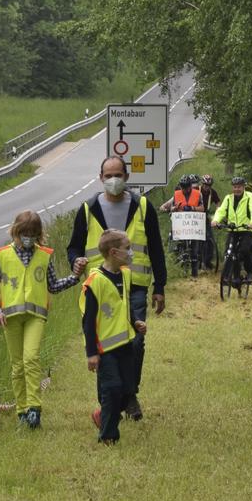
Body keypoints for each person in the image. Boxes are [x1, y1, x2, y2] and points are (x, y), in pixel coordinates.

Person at [67, 156, 166, 421]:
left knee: (135, 342)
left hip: (134, 284)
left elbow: (156, 247)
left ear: (127, 176)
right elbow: (73, 246)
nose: (113, 180)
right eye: (108, 175)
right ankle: (109, 404)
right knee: (106, 347)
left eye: (118, 175)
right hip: (100, 287)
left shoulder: (142, 206)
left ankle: (129, 395)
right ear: (100, 178)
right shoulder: (88, 209)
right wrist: (75, 261)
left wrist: (160, 286)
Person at [0, 210, 86, 429]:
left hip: (36, 316)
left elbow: (53, 286)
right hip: (9, 318)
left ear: (39, 234)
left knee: (31, 358)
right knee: (17, 366)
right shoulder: (2, 255)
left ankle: (34, 408)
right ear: (16, 232)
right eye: (24, 233)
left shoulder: (44, 255)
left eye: (33, 233)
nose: (28, 237)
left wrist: (75, 278)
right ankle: (21, 410)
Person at [81, 229, 144, 445]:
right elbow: (88, 322)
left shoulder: (125, 274)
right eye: (128, 248)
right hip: (105, 350)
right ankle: (108, 436)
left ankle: (102, 415)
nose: (131, 253)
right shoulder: (95, 282)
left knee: (127, 390)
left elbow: (124, 305)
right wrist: (91, 354)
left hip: (125, 345)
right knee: (112, 389)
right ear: (114, 252)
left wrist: (135, 321)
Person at [211, 173, 252, 281]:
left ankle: (250, 271)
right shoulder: (228, 198)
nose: (237, 189)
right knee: (229, 252)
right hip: (233, 229)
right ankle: (235, 276)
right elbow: (221, 211)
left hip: (246, 229)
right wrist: (215, 221)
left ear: (243, 187)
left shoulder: (249, 197)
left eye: (239, 187)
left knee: (244, 250)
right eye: (235, 187)